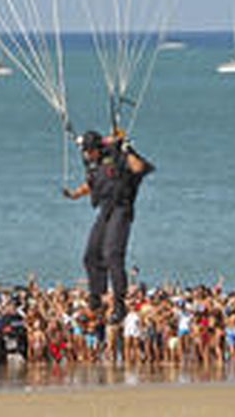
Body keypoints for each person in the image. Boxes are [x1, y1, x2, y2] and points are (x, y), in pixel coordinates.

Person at [63, 130, 154, 330]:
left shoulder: (119, 157)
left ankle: (119, 304)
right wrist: (73, 194)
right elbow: (91, 185)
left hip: (121, 209)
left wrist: (127, 149)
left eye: (90, 151)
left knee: (112, 253)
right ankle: (96, 298)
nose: (87, 155)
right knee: (90, 255)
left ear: (98, 148)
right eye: (85, 152)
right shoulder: (93, 164)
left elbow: (140, 168)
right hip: (105, 211)